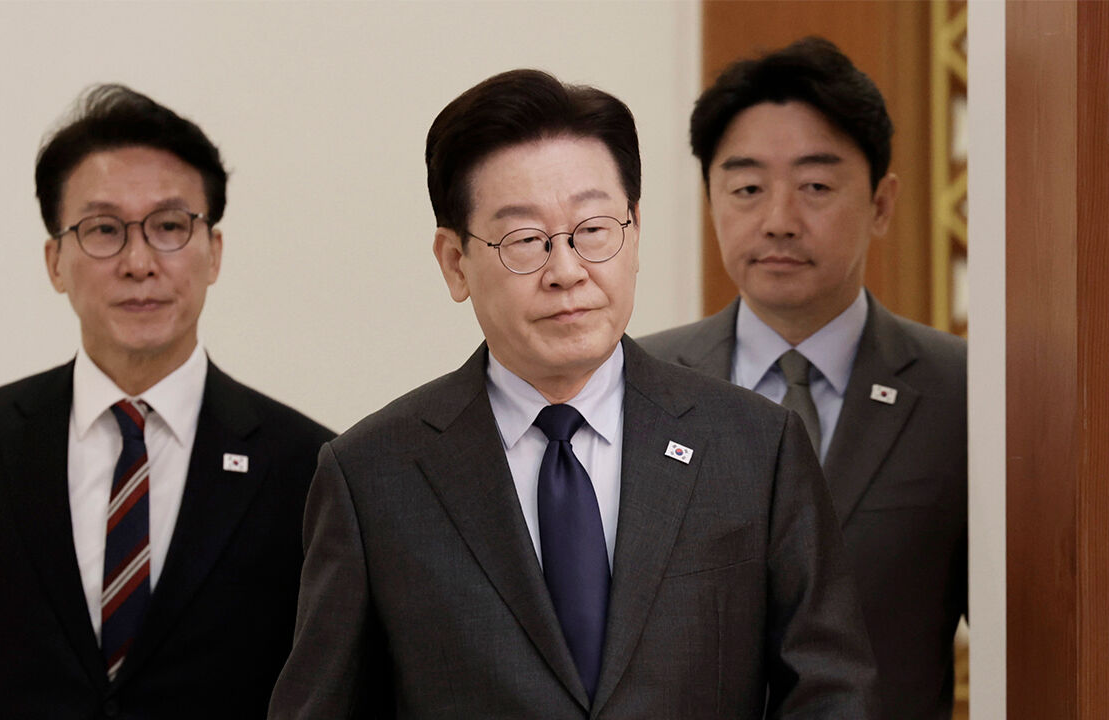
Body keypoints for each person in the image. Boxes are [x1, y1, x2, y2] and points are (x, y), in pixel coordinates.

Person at [269, 68, 875, 719]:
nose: (566, 271)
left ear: (634, 230)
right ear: (454, 262)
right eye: (525, 240)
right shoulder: (372, 476)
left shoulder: (755, 446)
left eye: (593, 230)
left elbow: (829, 692)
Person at [0, 84, 333, 719]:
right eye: (103, 230)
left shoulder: (307, 463)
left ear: (214, 253)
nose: (138, 262)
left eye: (170, 226)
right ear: (55, 262)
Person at [641, 37, 967, 720]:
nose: (779, 221)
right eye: (748, 189)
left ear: (881, 203)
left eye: (816, 187)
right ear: (711, 200)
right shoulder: (640, 387)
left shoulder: (962, 393)